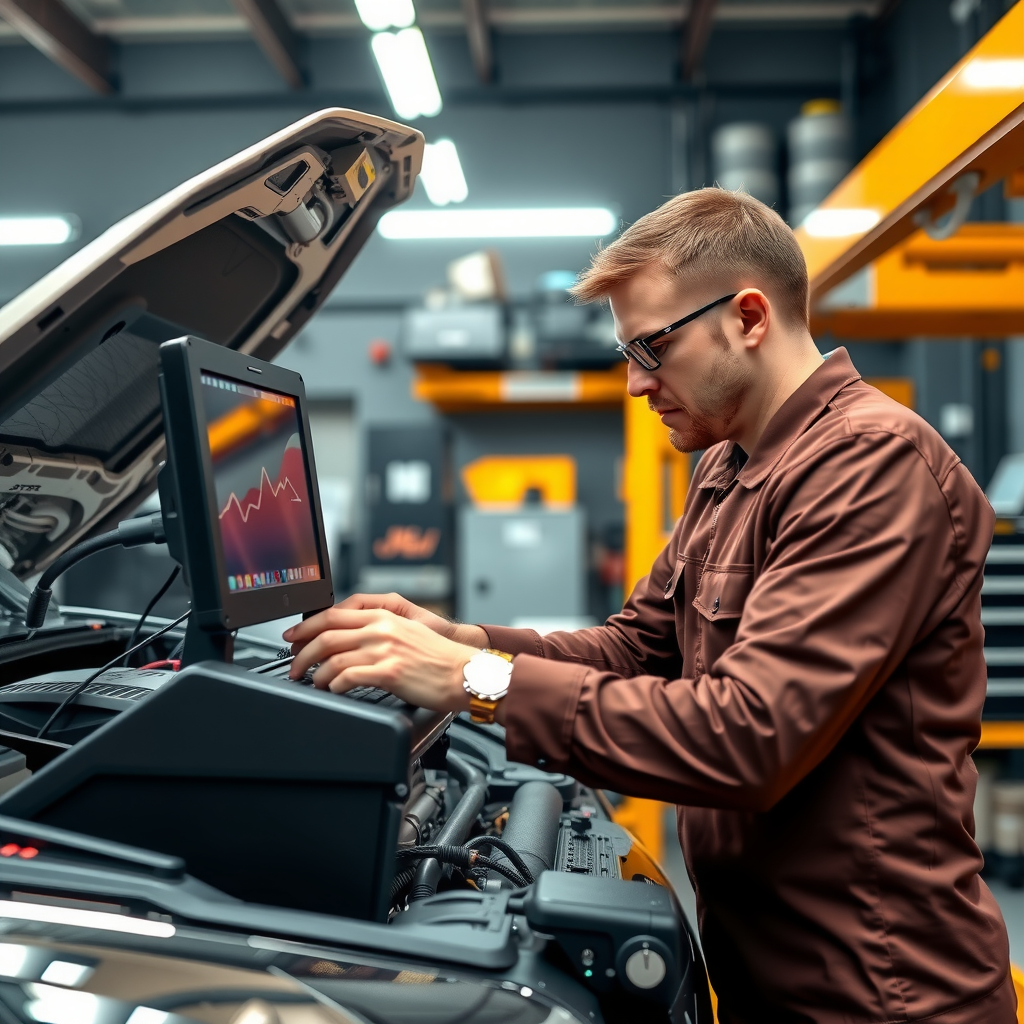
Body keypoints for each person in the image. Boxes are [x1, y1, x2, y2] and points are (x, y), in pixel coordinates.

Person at [284, 188, 1015, 1024]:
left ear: (747, 316)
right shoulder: (733, 466)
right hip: (767, 969)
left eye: (652, 347)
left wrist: (477, 680)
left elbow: (748, 736)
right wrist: (463, 639)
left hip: (880, 993)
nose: (635, 382)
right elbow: (636, 648)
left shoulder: (870, 465)